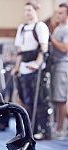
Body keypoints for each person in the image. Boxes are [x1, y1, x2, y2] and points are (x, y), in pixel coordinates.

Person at [11, 2, 49, 136]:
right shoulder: (22, 28)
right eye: (25, 10)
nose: (27, 13)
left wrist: (37, 64)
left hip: (36, 69)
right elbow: (20, 51)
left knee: (39, 100)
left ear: (35, 11)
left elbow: (43, 48)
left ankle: (43, 130)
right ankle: (30, 130)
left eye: (29, 10)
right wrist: (16, 67)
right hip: (23, 68)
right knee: (26, 100)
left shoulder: (40, 26)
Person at [50, 3, 68, 138]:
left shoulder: (66, 29)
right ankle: (59, 126)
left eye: (61, 13)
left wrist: (51, 38)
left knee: (61, 99)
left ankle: (60, 130)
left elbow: (64, 48)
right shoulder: (58, 28)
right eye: (57, 13)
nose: (58, 15)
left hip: (63, 66)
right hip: (55, 66)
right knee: (56, 99)